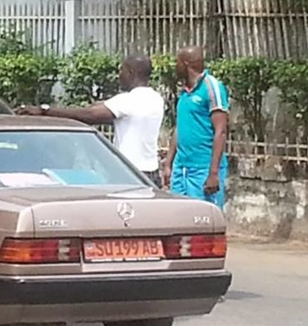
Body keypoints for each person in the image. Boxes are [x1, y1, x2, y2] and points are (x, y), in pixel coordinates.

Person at [16, 54, 165, 186]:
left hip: (129, 172)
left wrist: (45, 111)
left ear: (131, 73)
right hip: (151, 173)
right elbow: (106, 113)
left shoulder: (128, 100)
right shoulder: (155, 99)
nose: (119, 75)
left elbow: (90, 115)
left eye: (122, 71)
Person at [163, 46, 229, 209]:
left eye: (177, 62)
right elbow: (179, 128)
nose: (175, 67)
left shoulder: (212, 87)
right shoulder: (184, 92)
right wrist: (168, 164)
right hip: (181, 168)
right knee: (179, 218)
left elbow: (220, 131)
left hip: (203, 169)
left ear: (186, 64)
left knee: (203, 220)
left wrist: (213, 173)